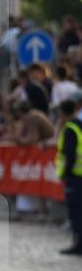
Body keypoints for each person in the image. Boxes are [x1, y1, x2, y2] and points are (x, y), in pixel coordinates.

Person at [55, 99, 82, 255]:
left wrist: (65, 173)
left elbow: (69, 155)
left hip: (75, 176)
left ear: (62, 113)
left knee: (75, 211)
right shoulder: (79, 125)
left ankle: (78, 244)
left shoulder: (70, 129)